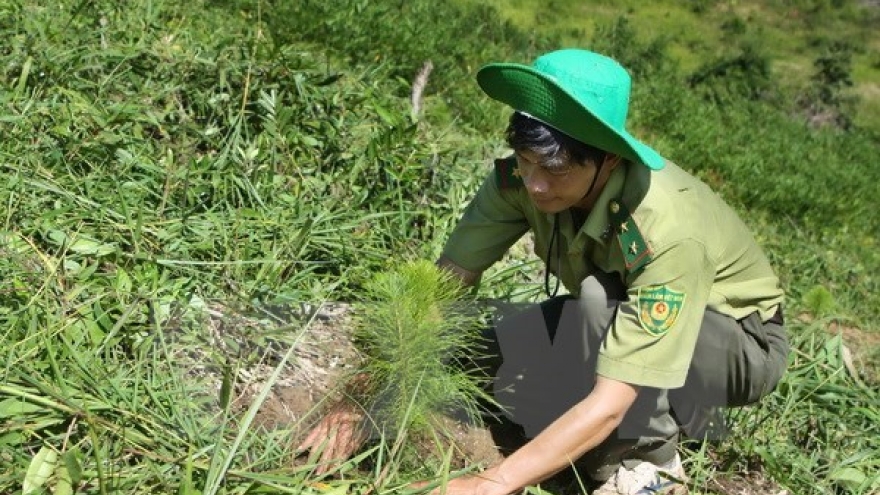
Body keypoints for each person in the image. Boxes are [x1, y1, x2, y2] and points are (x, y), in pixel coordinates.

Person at [298, 48, 789, 495]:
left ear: (608, 161)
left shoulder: (667, 228)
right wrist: (363, 397)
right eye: (526, 160)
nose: (534, 185)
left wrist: (491, 484)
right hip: (608, 313)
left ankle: (650, 468)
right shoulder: (520, 181)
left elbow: (614, 399)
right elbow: (445, 287)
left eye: (554, 169)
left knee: (600, 304)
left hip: (736, 344)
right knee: (479, 351)